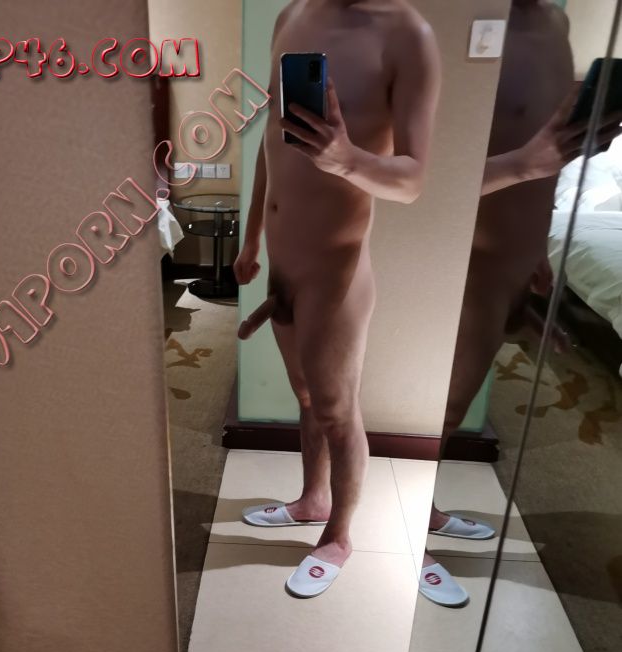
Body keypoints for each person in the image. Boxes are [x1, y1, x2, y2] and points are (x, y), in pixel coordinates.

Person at [233, 0, 441, 598]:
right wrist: (252, 239)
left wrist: (345, 159)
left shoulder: (409, 34)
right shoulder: (292, 15)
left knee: (337, 411)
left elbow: (412, 180)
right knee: (306, 396)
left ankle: (339, 537)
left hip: (336, 273)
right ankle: (312, 500)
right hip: (282, 263)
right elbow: (273, 140)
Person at [419, 0, 620, 608]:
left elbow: (536, 156)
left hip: (505, 260)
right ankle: (399, 536)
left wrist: (534, 245)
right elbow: (410, 172)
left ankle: (421, 512)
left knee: (448, 413)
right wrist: (529, 163)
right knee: (420, 413)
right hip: (448, 257)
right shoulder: (445, 16)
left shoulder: (553, 22)